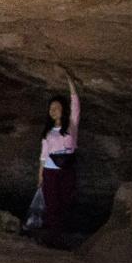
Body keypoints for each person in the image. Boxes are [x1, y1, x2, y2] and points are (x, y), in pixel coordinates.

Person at [37, 72, 80, 247]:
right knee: (52, 205)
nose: (52, 111)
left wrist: (70, 82)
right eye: (50, 108)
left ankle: (60, 236)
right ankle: (54, 239)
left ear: (63, 108)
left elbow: (76, 105)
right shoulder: (47, 132)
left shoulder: (71, 126)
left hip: (67, 170)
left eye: (55, 107)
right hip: (50, 171)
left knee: (65, 203)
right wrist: (39, 176)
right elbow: (43, 155)